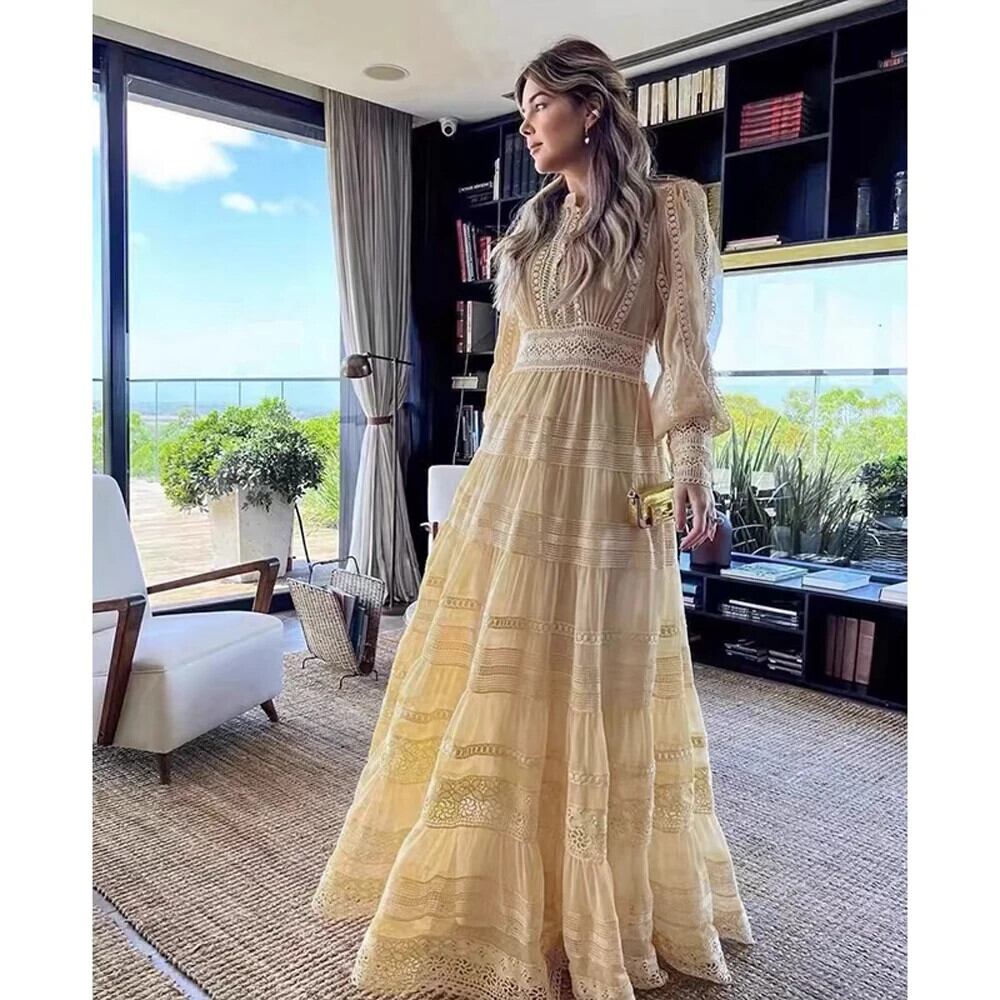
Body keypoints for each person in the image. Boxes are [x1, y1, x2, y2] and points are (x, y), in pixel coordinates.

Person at [312, 36, 754, 1000]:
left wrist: (691, 471)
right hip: (520, 465)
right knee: (498, 664)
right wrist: (483, 488)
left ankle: (594, 902)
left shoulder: (672, 208)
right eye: (519, 110)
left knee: (602, 670)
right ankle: (498, 893)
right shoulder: (526, 228)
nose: (525, 125)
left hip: (614, 460)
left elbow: (686, 352)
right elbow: (509, 372)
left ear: (590, 108)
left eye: (537, 106)